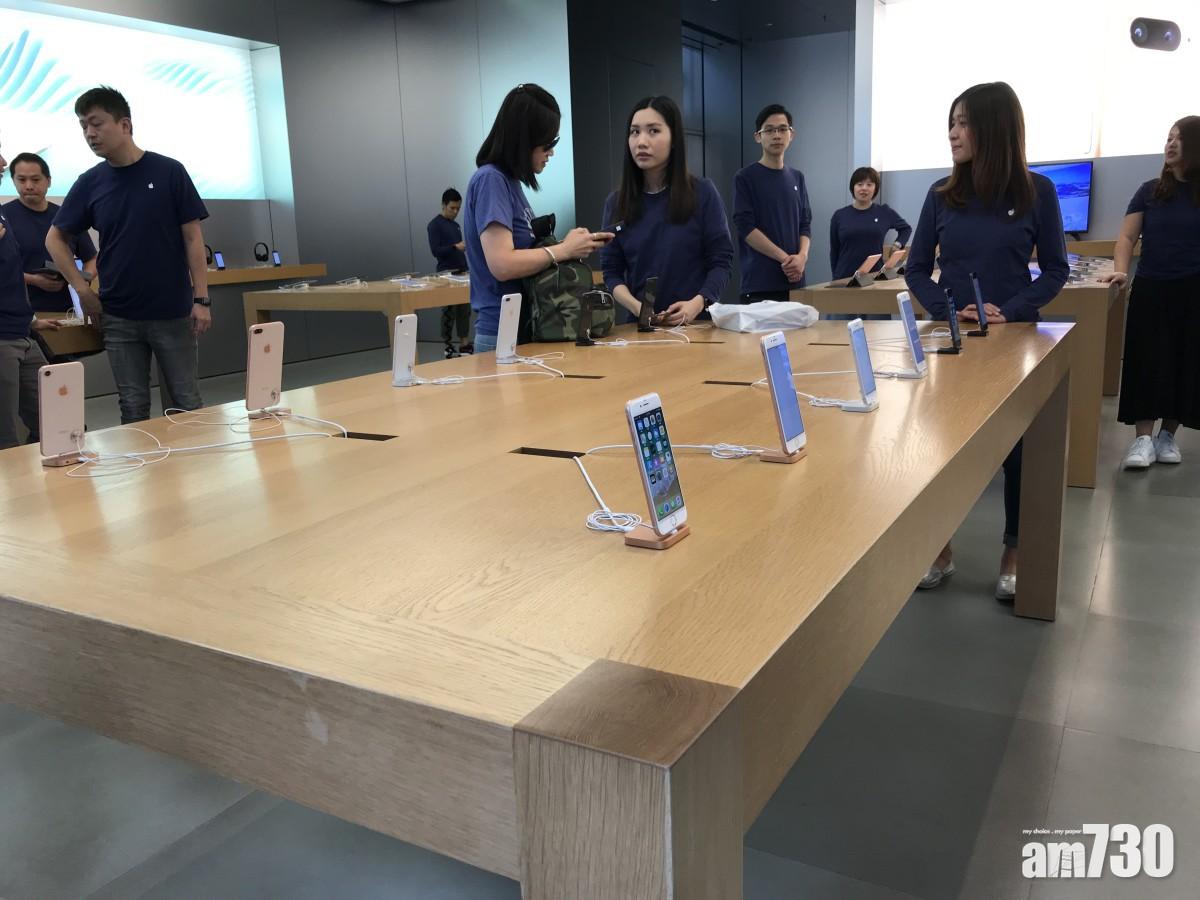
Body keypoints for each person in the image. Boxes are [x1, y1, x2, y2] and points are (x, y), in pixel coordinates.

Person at [904, 81, 1069, 602]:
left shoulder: (1037, 191)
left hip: (1014, 342)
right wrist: (948, 309)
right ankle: (939, 546)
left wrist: (1010, 311)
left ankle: (1014, 551)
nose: (953, 133)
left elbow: (1056, 270)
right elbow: (915, 269)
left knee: (1017, 451)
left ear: (993, 128)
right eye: (951, 123)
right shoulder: (940, 194)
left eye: (963, 123)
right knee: (942, 446)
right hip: (953, 343)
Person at [46, 85, 211, 424]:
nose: (89, 134)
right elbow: (55, 239)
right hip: (118, 315)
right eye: (83, 126)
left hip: (173, 311)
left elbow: (193, 238)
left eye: (96, 123)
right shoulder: (90, 182)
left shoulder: (169, 171)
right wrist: (82, 290)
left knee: (186, 403)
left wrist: (202, 299)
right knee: (133, 407)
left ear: (125, 124)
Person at [463, 83, 609, 354]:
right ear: (524, 140)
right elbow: (502, 264)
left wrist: (568, 246)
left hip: (521, 329)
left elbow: (522, 256)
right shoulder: (491, 180)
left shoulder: (509, 183)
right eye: (547, 144)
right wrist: (563, 250)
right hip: (502, 334)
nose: (551, 152)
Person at [1104, 116, 1200, 469]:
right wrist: (1120, 270)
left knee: (1184, 362)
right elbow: (1127, 237)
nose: (1170, 144)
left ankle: (1167, 436)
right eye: (1169, 137)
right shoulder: (1149, 191)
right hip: (1151, 287)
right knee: (1145, 360)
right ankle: (1142, 439)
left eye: (1179, 138)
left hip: (1193, 290)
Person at [601, 96, 733, 323]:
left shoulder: (702, 192)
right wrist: (638, 308)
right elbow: (611, 272)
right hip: (640, 328)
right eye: (634, 132)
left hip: (697, 326)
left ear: (674, 139)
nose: (641, 142)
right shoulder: (616, 203)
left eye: (653, 131)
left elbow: (722, 261)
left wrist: (697, 303)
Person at [0, 141, 65, 450]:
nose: (3, 161)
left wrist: (31, 320)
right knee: (6, 438)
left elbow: (9, 275)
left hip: (22, 332)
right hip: (2, 339)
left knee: (54, 424)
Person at [732, 104, 811, 301]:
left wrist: (802, 257)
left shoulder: (797, 177)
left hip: (796, 283)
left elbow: (805, 224)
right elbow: (746, 228)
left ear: (791, 134)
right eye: (769, 130)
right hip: (760, 284)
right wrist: (786, 260)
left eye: (782, 129)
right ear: (758, 136)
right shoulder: (745, 177)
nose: (777, 135)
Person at [2, 152, 97, 314]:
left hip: (69, 311)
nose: (29, 186)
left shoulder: (67, 216)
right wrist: (33, 280)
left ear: (49, 181)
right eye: (22, 180)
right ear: (13, 181)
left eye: (35, 179)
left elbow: (91, 258)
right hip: (23, 313)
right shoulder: (4, 216)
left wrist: (81, 280)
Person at [829, 166, 911, 280]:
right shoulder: (839, 215)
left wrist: (897, 245)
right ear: (853, 187)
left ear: (875, 188)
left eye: (869, 184)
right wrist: (835, 278)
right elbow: (834, 250)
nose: (864, 188)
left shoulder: (884, 212)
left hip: (874, 277)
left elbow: (906, 229)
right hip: (844, 277)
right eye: (860, 184)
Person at [428, 187, 472, 358]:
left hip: (462, 272)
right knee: (448, 311)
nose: (455, 212)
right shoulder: (434, 225)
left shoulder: (456, 226)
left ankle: (464, 344)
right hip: (446, 274)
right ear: (443, 205)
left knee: (464, 310)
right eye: (452, 208)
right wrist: (455, 246)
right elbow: (435, 251)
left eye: (458, 208)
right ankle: (447, 345)